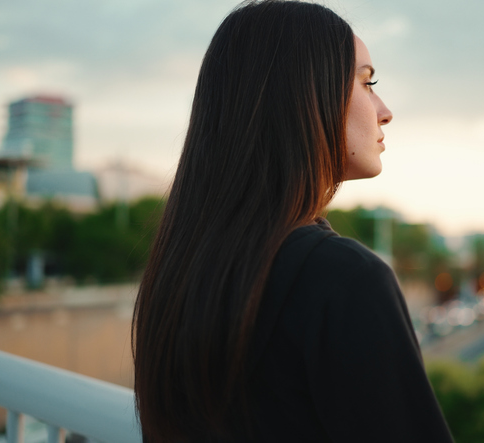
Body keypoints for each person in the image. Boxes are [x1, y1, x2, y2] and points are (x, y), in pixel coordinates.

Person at [132, 1, 454, 441]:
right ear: (304, 95)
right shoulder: (346, 279)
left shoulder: (182, 269)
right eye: (366, 82)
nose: (384, 109)